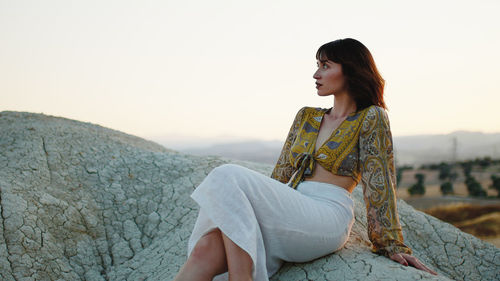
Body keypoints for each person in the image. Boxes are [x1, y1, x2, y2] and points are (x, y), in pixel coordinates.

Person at [174, 38, 438, 281]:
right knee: (206, 249)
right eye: (317, 66)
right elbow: (279, 177)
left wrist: (390, 244)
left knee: (226, 174)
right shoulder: (306, 117)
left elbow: (380, 183)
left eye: (325, 66)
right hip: (290, 207)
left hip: (326, 214)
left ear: (351, 70)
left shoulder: (371, 117)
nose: (316, 74)